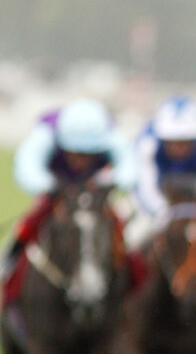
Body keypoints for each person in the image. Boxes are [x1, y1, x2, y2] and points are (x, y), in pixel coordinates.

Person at [1, 99, 136, 309]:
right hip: (57, 200)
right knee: (28, 226)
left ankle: (130, 290)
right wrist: (52, 186)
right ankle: (7, 274)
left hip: (95, 200)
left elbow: (130, 170)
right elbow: (26, 168)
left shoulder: (110, 133)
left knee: (119, 232)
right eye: (74, 153)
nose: (81, 160)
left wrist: (106, 181)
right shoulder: (47, 132)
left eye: (89, 155)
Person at [128, 95, 196, 306]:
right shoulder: (147, 142)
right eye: (173, 142)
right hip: (154, 205)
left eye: (185, 142)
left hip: (194, 207)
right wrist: (162, 212)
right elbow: (144, 186)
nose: (179, 148)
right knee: (130, 238)